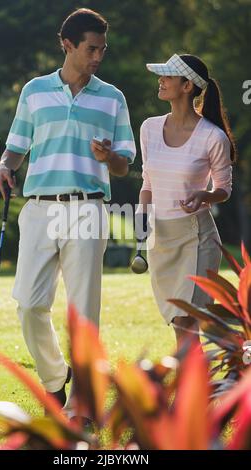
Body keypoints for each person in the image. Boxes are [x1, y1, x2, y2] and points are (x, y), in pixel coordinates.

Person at [0, 8, 136, 420]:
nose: (97, 57)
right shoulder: (34, 91)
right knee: (29, 305)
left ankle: (81, 404)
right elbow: (16, 146)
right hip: (39, 209)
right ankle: (56, 377)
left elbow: (126, 163)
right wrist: (6, 166)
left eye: (102, 50)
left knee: (84, 311)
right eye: (91, 49)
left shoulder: (113, 98)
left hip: (89, 207)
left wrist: (110, 157)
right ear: (67, 44)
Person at [138, 53, 235, 349]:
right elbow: (148, 181)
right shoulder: (149, 128)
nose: (161, 80)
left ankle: (190, 395)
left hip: (197, 238)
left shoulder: (213, 137)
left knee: (187, 322)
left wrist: (205, 195)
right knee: (178, 324)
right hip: (161, 239)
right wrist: (142, 215)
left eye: (168, 76)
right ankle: (198, 393)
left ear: (187, 86)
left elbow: (224, 188)